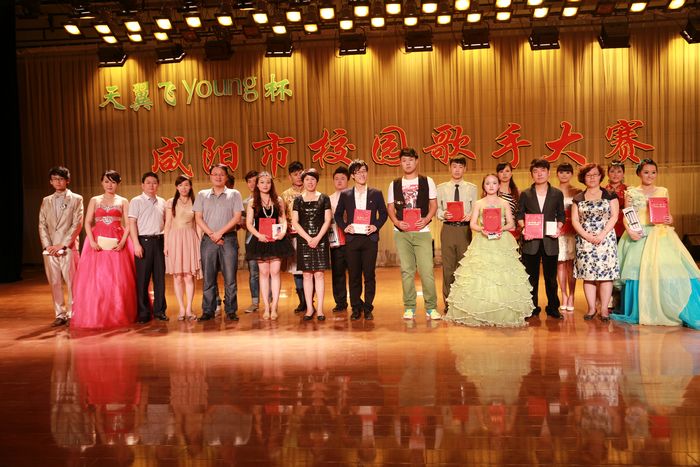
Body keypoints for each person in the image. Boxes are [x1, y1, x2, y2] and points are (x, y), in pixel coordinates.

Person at [612, 159, 700, 329]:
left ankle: (668, 305)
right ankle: (643, 308)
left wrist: (669, 219)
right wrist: (630, 230)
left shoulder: (663, 190)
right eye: (646, 172)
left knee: (666, 268)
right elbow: (627, 215)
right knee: (637, 269)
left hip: (660, 234)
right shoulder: (631, 192)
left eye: (653, 172)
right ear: (639, 173)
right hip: (639, 233)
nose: (650, 175)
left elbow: (668, 214)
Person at [445, 174, 532, 327]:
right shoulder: (479, 203)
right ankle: (480, 311)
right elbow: (473, 224)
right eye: (487, 183)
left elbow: (511, 223)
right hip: (483, 240)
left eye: (494, 183)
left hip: (501, 240)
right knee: (481, 276)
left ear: (498, 185)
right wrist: (482, 230)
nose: (491, 186)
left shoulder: (504, 203)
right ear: (484, 186)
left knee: (501, 276)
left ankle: (502, 311)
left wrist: (501, 228)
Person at [71, 170, 136, 329]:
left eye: (113, 182)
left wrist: (123, 242)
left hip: (117, 240)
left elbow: (128, 224)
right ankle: (97, 313)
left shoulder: (123, 201)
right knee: (97, 279)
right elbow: (87, 222)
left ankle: (117, 312)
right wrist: (92, 241)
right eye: (107, 181)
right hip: (97, 242)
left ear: (118, 184)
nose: (110, 185)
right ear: (102, 182)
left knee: (119, 279)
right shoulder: (95, 200)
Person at [387, 147, 439, 321]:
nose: (407, 163)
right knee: (407, 271)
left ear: (416, 161)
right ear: (400, 163)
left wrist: (426, 219)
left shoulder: (427, 181)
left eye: (410, 160)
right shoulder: (394, 184)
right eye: (404, 160)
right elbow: (390, 207)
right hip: (401, 233)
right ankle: (409, 307)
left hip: (422, 231)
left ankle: (431, 308)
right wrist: (396, 222)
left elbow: (433, 205)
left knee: (426, 271)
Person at [334, 159, 388, 321]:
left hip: (369, 239)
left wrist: (375, 226)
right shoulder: (346, 195)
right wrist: (345, 227)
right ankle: (356, 307)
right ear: (352, 176)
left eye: (364, 171)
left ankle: (368, 307)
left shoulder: (376, 193)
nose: (362, 175)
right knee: (354, 276)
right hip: (352, 240)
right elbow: (337, 215)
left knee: (369, 275)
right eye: (358, 172)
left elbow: (383, 214)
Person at [193, 163, 244, 322]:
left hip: (228, 239)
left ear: (226, 177)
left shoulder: (234, 194)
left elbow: (237, 217)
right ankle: (208, 310)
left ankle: (231, 310)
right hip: (208, 240)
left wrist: (220, 233)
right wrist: (212, 234)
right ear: (210, 176)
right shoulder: (202, 194)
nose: (218, 176)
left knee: (230, 277)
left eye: (221, 174)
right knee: (208, 277)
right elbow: (198, 218)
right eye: (215, 174)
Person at [517, 158, 565, 320]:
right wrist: (524, 228)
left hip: (550, 241)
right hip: (531, 241)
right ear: (531, 174)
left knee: (551, 278)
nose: (539, 174)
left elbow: (561, 215)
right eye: (536, 171)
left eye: (542, 171)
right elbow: (520, 214)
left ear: (548, 173)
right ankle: (532, 307)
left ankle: (553, 307)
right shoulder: (526, 194)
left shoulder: (557, 193)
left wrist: (558, 228)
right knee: (531, 278)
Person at [571, 163, 620, 322]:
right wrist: (587, 235)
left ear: (600, 176)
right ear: (583, 178)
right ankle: (591, 308)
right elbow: (575, 220)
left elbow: (614, 216)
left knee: (606, 276)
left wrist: (602, 234)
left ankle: (604, 309)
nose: (592, 178)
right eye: (588, 175)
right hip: (585, 239)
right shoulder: (578, 198)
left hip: (606, 238)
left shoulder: (610, 195)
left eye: (595, 174)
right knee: (588, 276)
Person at [245, 172, 294, 320]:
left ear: (271, 184)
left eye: (268, 182)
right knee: (264, 273)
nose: (265, 185)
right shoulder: (253, 202)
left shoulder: (278, 200)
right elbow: (249, 224)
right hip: (260, 240)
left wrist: (283, 232)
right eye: (262, 182)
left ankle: (274, 306)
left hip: (276, 240)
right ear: (257, 185)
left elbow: (283, 219)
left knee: (275, 272)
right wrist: (258, 235)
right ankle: (266, 307)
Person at [39, 166, 84, 327]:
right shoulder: (46, 200)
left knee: (72, 282)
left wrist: (62, 245)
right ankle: (59, 314)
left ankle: (73, 313)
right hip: (50, 250)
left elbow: (77, 224)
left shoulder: (77, 199)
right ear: (51, 182)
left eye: (61, 179)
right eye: (54, 179)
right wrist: (48, 246)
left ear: (67, 180)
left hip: (68, 248)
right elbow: (42, 224)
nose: (58, 182)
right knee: (54, 282)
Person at [436, 156, 477, 313]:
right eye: (454, 166)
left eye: (460, 167)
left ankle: (463, 302)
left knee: (464, 267)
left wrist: (470, 215)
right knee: (448, 268)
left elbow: (475, 208)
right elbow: (437, 210)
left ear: (465, 169)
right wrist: (443, 214)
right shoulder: (441, 188)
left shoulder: (471, 188)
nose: (457, 170)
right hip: (448, 229)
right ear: (449, 168)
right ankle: (449, 302)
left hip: (464, 230)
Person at [292, 169, 332, 321]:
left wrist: (317, 238)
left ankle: (320, 309)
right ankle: (310, 308)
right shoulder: (298, 200)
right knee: (307, 275)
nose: (310, 182)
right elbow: (295, 222)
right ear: (303, 181)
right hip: (304, 240)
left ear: (317, 181)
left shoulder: (324, 198)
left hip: (320, 240)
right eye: (307, 179)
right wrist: (309, 238)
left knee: (319, 274)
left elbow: (327, 220)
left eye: (313, 179)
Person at [129, 172, 168, 323]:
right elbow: (132, 223)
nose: (151, 185)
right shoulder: (136, 201)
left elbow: (166, 223)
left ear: (158, 185)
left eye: (154, 182)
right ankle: (143, 313)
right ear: (142, 185)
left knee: (160, 279)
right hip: (143, 242)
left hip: (159, 241)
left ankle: (160, 311)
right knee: (143, 280)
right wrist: (136, 244)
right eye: (148, 182)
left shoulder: (162, 202)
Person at [164, 175, 201, 321]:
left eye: (186, 185)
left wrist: (199, 243)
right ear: (177, 187)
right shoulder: (170, 202)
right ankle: (181, 308)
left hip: (190, 239)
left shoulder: (196, 202)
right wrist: (166, 245)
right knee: (178, 276)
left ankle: (189, 308)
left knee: (189, 276)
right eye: (180, 185)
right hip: (174, 239)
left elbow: (198, 224)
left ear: (190, 186)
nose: (183, 188)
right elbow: (167, 225)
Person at [280, 161, 307, 313]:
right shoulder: (285, 195)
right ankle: (302, 301)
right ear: (290, 177)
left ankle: (310, 300)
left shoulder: (310, 191)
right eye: (295, 174)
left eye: (300, 174)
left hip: (309, 236)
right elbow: (282, 217)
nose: (298, 177)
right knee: (296, 269)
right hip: (293, 236)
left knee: (309, 269)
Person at [555, 163, 581, 312]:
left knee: (571, 265)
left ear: (571, 174)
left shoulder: (577, 192)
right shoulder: (552, 191)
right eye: (561, 172)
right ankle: (563, 295)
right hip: (558, 231)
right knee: (560, 264)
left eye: (567, 172)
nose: (564, 175)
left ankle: (572, 295)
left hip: (572, 232)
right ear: (557, 174)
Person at [328, 166, 350, 313]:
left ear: (348, 180)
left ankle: (356, 301)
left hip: (352, 240)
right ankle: (340, 302)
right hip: (336, 240)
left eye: (342, 178)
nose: (339, 181)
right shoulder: (328, 199)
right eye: (336, 179)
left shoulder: (353, 197)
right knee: (338, 273)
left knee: (355, 273)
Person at [242, 170, 261, 314]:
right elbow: (242, 223)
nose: (252, 184)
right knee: (254, 273)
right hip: (251, 241)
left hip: (267, 240)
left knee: (269, 272)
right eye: (249, 182)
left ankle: (270, 301)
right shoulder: (244, 203)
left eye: (255, 181)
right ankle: (255, 302)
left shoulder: (270, 199)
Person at [496, 162, 520, 239]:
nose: (504, 174)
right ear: (497, 174)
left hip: (512, 229)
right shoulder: (493, 191)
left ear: (511, 173)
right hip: (496, 229)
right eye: (501, 171)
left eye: (507, 171)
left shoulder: (517, 192)